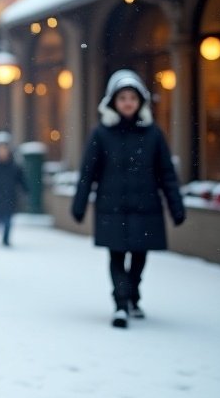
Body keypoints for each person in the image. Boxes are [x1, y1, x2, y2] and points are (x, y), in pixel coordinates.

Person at [71, 70, 185, 328]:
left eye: (132, 97)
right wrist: (79, 204)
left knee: (140, 257)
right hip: (112, 208)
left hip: (146, 208)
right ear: (113, 102)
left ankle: (132, 295)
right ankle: (121, 304)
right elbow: (88, 173)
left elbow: (167, 173)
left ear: (140, 101)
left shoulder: (154, 134)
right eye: (122, 97)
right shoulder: (101, 134)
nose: (128, 102)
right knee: (117, 256)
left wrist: (176, 207)